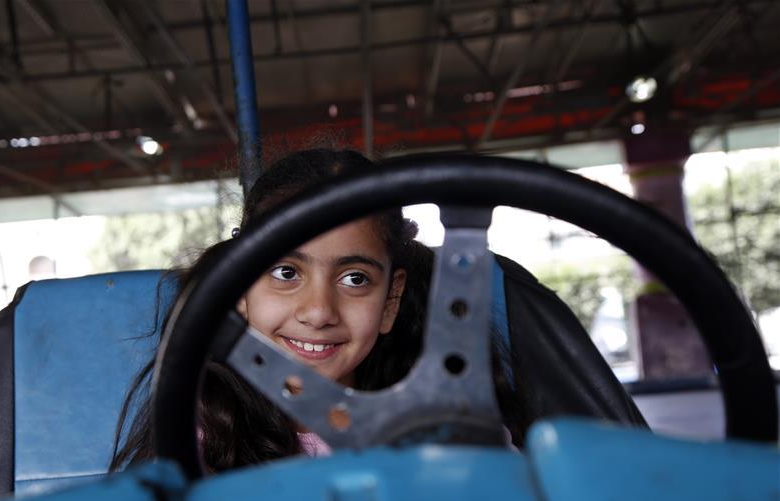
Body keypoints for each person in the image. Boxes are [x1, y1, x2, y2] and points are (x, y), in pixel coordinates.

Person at [111, 148, 647, 474]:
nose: (319, 311)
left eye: (354, 279)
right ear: (238, 291)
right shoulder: (199, 430)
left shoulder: (443, 421)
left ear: (391, 303)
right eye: (285, 272)